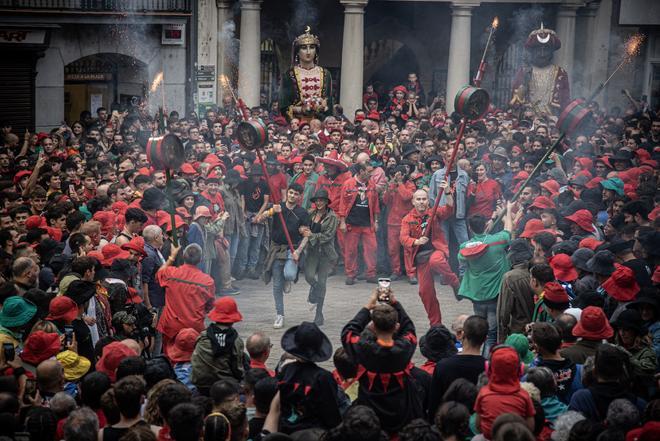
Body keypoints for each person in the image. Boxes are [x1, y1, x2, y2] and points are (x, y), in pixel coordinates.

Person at [341, 290, 423, 434]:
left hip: (370, 406)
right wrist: (396, 304)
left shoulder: (364, 348)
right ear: (395, 327)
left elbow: (348, 333)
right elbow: (409, 328)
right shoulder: (405, 347)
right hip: (401, 408)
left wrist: (368, 307)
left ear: (373, 327)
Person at [458, 205, 513, 353]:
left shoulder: (464, 247)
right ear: (485, 224)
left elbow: (468, 254)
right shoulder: (498, 241)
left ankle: (476, 356)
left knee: (478, 332)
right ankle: (486, 364)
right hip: (495, 296)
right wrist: (508, 211)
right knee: (491, 335)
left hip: (477, 296)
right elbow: (508, 231)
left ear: (470, 228)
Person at [400, 187, 458, 326]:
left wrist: (447, 192)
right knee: (425, 293)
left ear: (428, 201)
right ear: (413, 202)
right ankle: (436, 324)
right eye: (418, 199)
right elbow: (403, 238)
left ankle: (455, 283)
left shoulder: (434, 212)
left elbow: (449, 209)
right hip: (421, 260)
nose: (421, 202)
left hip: (436, 251)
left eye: (424, 199)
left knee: (436, 261)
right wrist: (416, 241)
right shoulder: (407, 219)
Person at [258, 183, 309, 329]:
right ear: (287, 193)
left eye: (296, 194)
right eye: (291, 193)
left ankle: (288, 279)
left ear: (300, 197)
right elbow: (259, 219)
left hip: (291, 249)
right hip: (276, 249)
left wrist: (298, 251)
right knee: (276, 285)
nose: (292, 196)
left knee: (290, 275)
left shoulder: (302, 213)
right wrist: (271, 212)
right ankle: (279, 315)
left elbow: (306, 235)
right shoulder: (278, 207)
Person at [278, 321, 341, 433]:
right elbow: (332, 416)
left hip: (286, 430)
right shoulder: (323, 378)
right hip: (313, 433)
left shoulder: (285, 370)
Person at [156, 244, 214, 356]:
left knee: (169, 358)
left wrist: (172, 257)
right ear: (200, 259)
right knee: (192, 358)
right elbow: (209, 305)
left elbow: (158, 274)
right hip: (194, 325)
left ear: (183, 256)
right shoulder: (207, 281)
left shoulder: (171, 273)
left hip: (171, 325)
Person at [428, 315, 488, 417]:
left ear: (462, 334)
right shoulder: (489, 368)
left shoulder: (443, 366)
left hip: (448, 422)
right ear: (485, 339)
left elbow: (433, 403)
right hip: (478, 424)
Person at [474, 346, 536, 439]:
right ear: (520, 370)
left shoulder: (483, 393)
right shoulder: (524, 395)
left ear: (489, 369)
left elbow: (478, 425)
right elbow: (530, 427)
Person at [299, 188, 338, 326]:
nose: (319, 202)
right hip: (312, 251)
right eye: (317, 200)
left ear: (327, 202)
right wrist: (302, 230)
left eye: (322, 200)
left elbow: (328, 236)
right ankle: (314, 288)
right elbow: (302, 226)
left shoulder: (332, 217)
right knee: (309, 276)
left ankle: (319, 313)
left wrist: (312, 236)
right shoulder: (311, 213)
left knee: (322, 282)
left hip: (326, 253)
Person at [191, 297, 245, 394]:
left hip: (201, 386)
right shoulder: (236, 340)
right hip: (225, 387)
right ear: (233, 319)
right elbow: (238, 370)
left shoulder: (203, 336)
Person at [279, 27, 333, 122]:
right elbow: (283, 105)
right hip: (297, 122)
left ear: (316, 51)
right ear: (297, 52)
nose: (308, 52)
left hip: (320, 122)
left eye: (312, 48)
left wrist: (322, 106)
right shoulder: (289, 75)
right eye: (304, 48)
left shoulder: (325, 74)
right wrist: (300, 109)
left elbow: (329, 102)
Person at [338, 163, 380, 285]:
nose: (371, 174)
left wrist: (376, 221)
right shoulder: (348, 184)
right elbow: (342, 204)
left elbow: (376, 205)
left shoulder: (371, 184)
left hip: (368, 223)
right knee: (350, 250)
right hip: (352, 223)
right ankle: (351, 274)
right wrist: (342, 222)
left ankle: (371, 274)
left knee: (372, 248)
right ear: (361, 171)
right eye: (368, 171)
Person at [497, 239, 535, 342]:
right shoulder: (538, 270)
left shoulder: (510, 277)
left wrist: (501, 338)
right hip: (538, 329)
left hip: (519, 331)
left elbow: (503, 312)